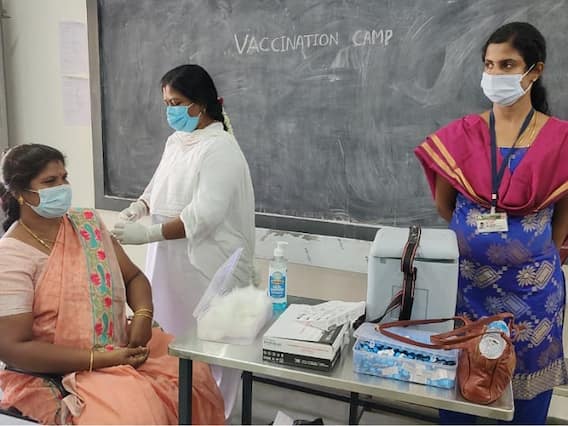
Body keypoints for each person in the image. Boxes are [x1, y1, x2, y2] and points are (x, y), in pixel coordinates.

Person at [0, 144, 225, 425]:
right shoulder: (11, 255)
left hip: (118, 347)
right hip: (57, 369)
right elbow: (14, 348)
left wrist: (143, 315)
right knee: (138, 414)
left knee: (194, 378)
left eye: (64, 177)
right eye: (49, 181)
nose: (62, 187)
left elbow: (134, 278)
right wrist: (104, 359)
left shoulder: (87, 225)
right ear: (19, 193)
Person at [415, 22, 568, 424]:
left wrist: (526, 254)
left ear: (535, 71)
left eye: (508, 65)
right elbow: (446, 206)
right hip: (465, 291)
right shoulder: (461, 137)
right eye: (489, 65)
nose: (496, 74)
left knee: (525, 403)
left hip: (533, 299)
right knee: (459, 392)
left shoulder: (561, 142)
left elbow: (563, 220)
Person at [112, 64, 256, 418]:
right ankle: (180, 409)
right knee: (172, 338)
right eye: (166, 103)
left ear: (200, 104)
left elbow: (204, 215)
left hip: (205, 264)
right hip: (170, 260)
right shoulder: (176, 141)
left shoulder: (220, 149)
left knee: (210, 343)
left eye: (176, 103)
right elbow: (158, 185)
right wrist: (138, 207)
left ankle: (216, 414)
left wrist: (147, 233)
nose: (170, 111)